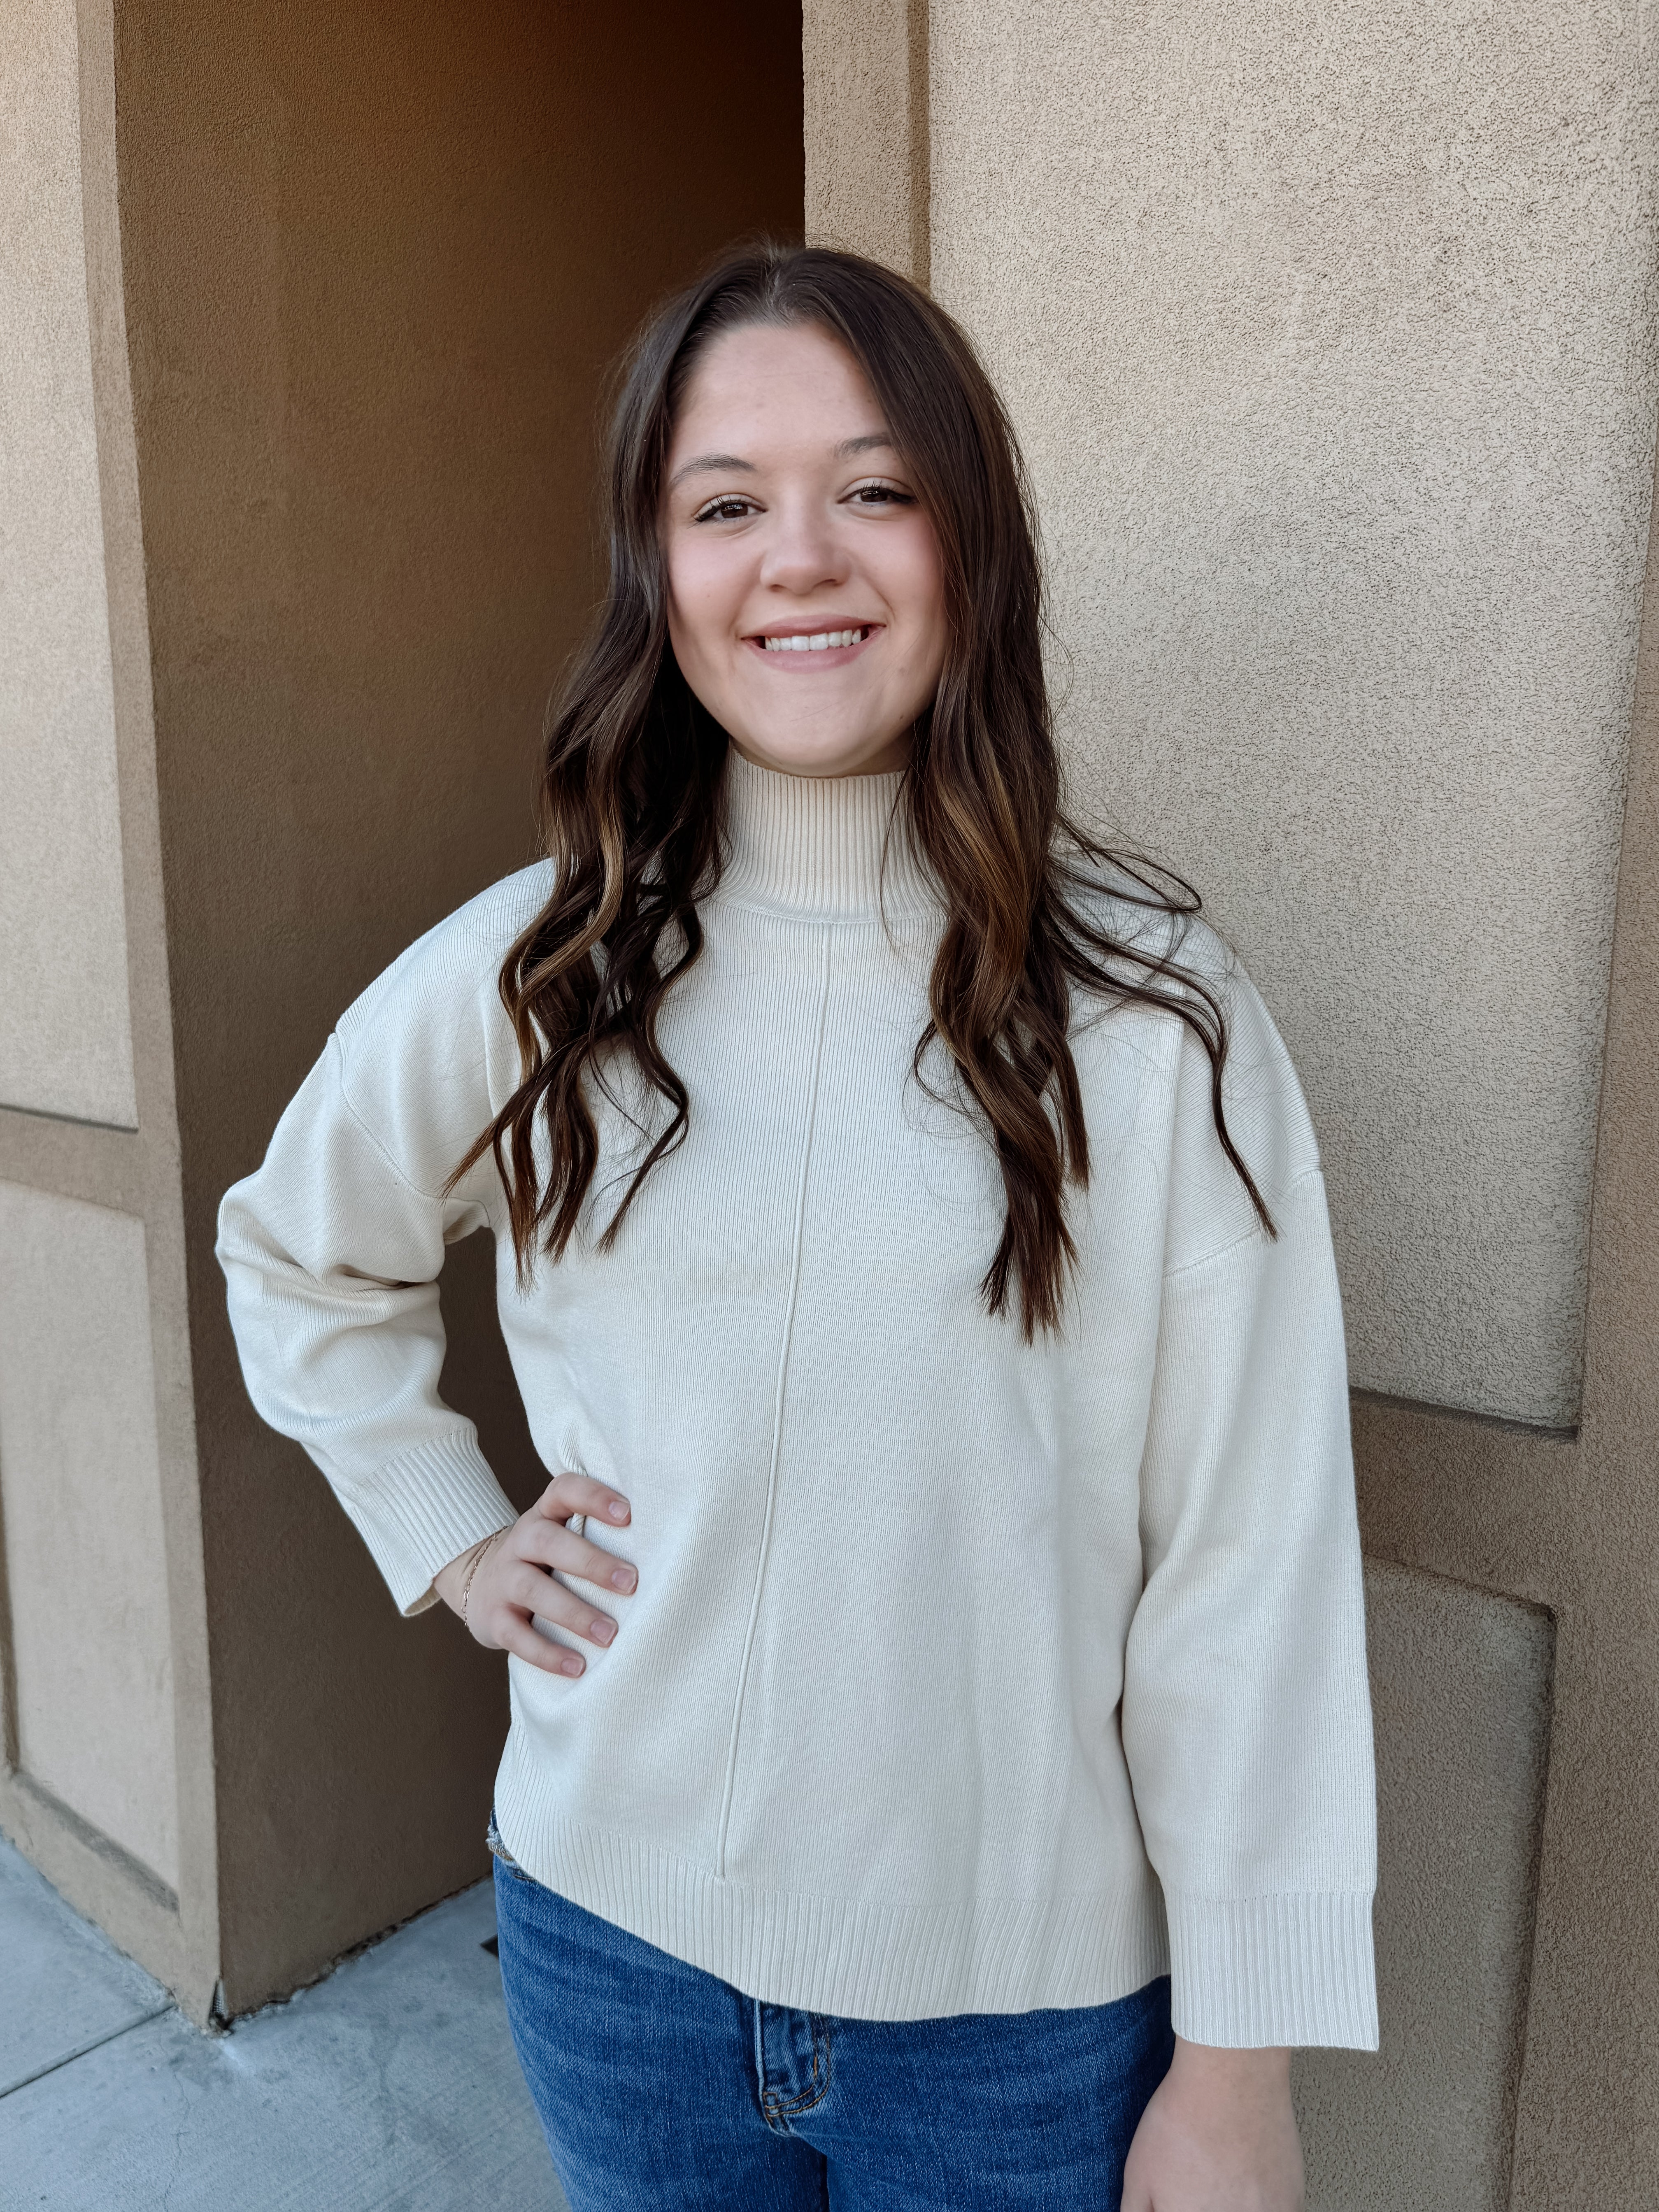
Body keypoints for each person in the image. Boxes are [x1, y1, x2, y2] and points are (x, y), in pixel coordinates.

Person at [217, 243, 1377, 2211]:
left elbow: (1250, 1562)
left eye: (875, 488)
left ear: (968, 540)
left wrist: (1238, 2067)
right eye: (726, 505)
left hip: (1022, 2032)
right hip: (610, 1959)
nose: (801, 559)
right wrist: (452, 1534)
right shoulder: (541, 972)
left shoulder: (1155, 1020)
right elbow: (297, 1249)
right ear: (655, 571)